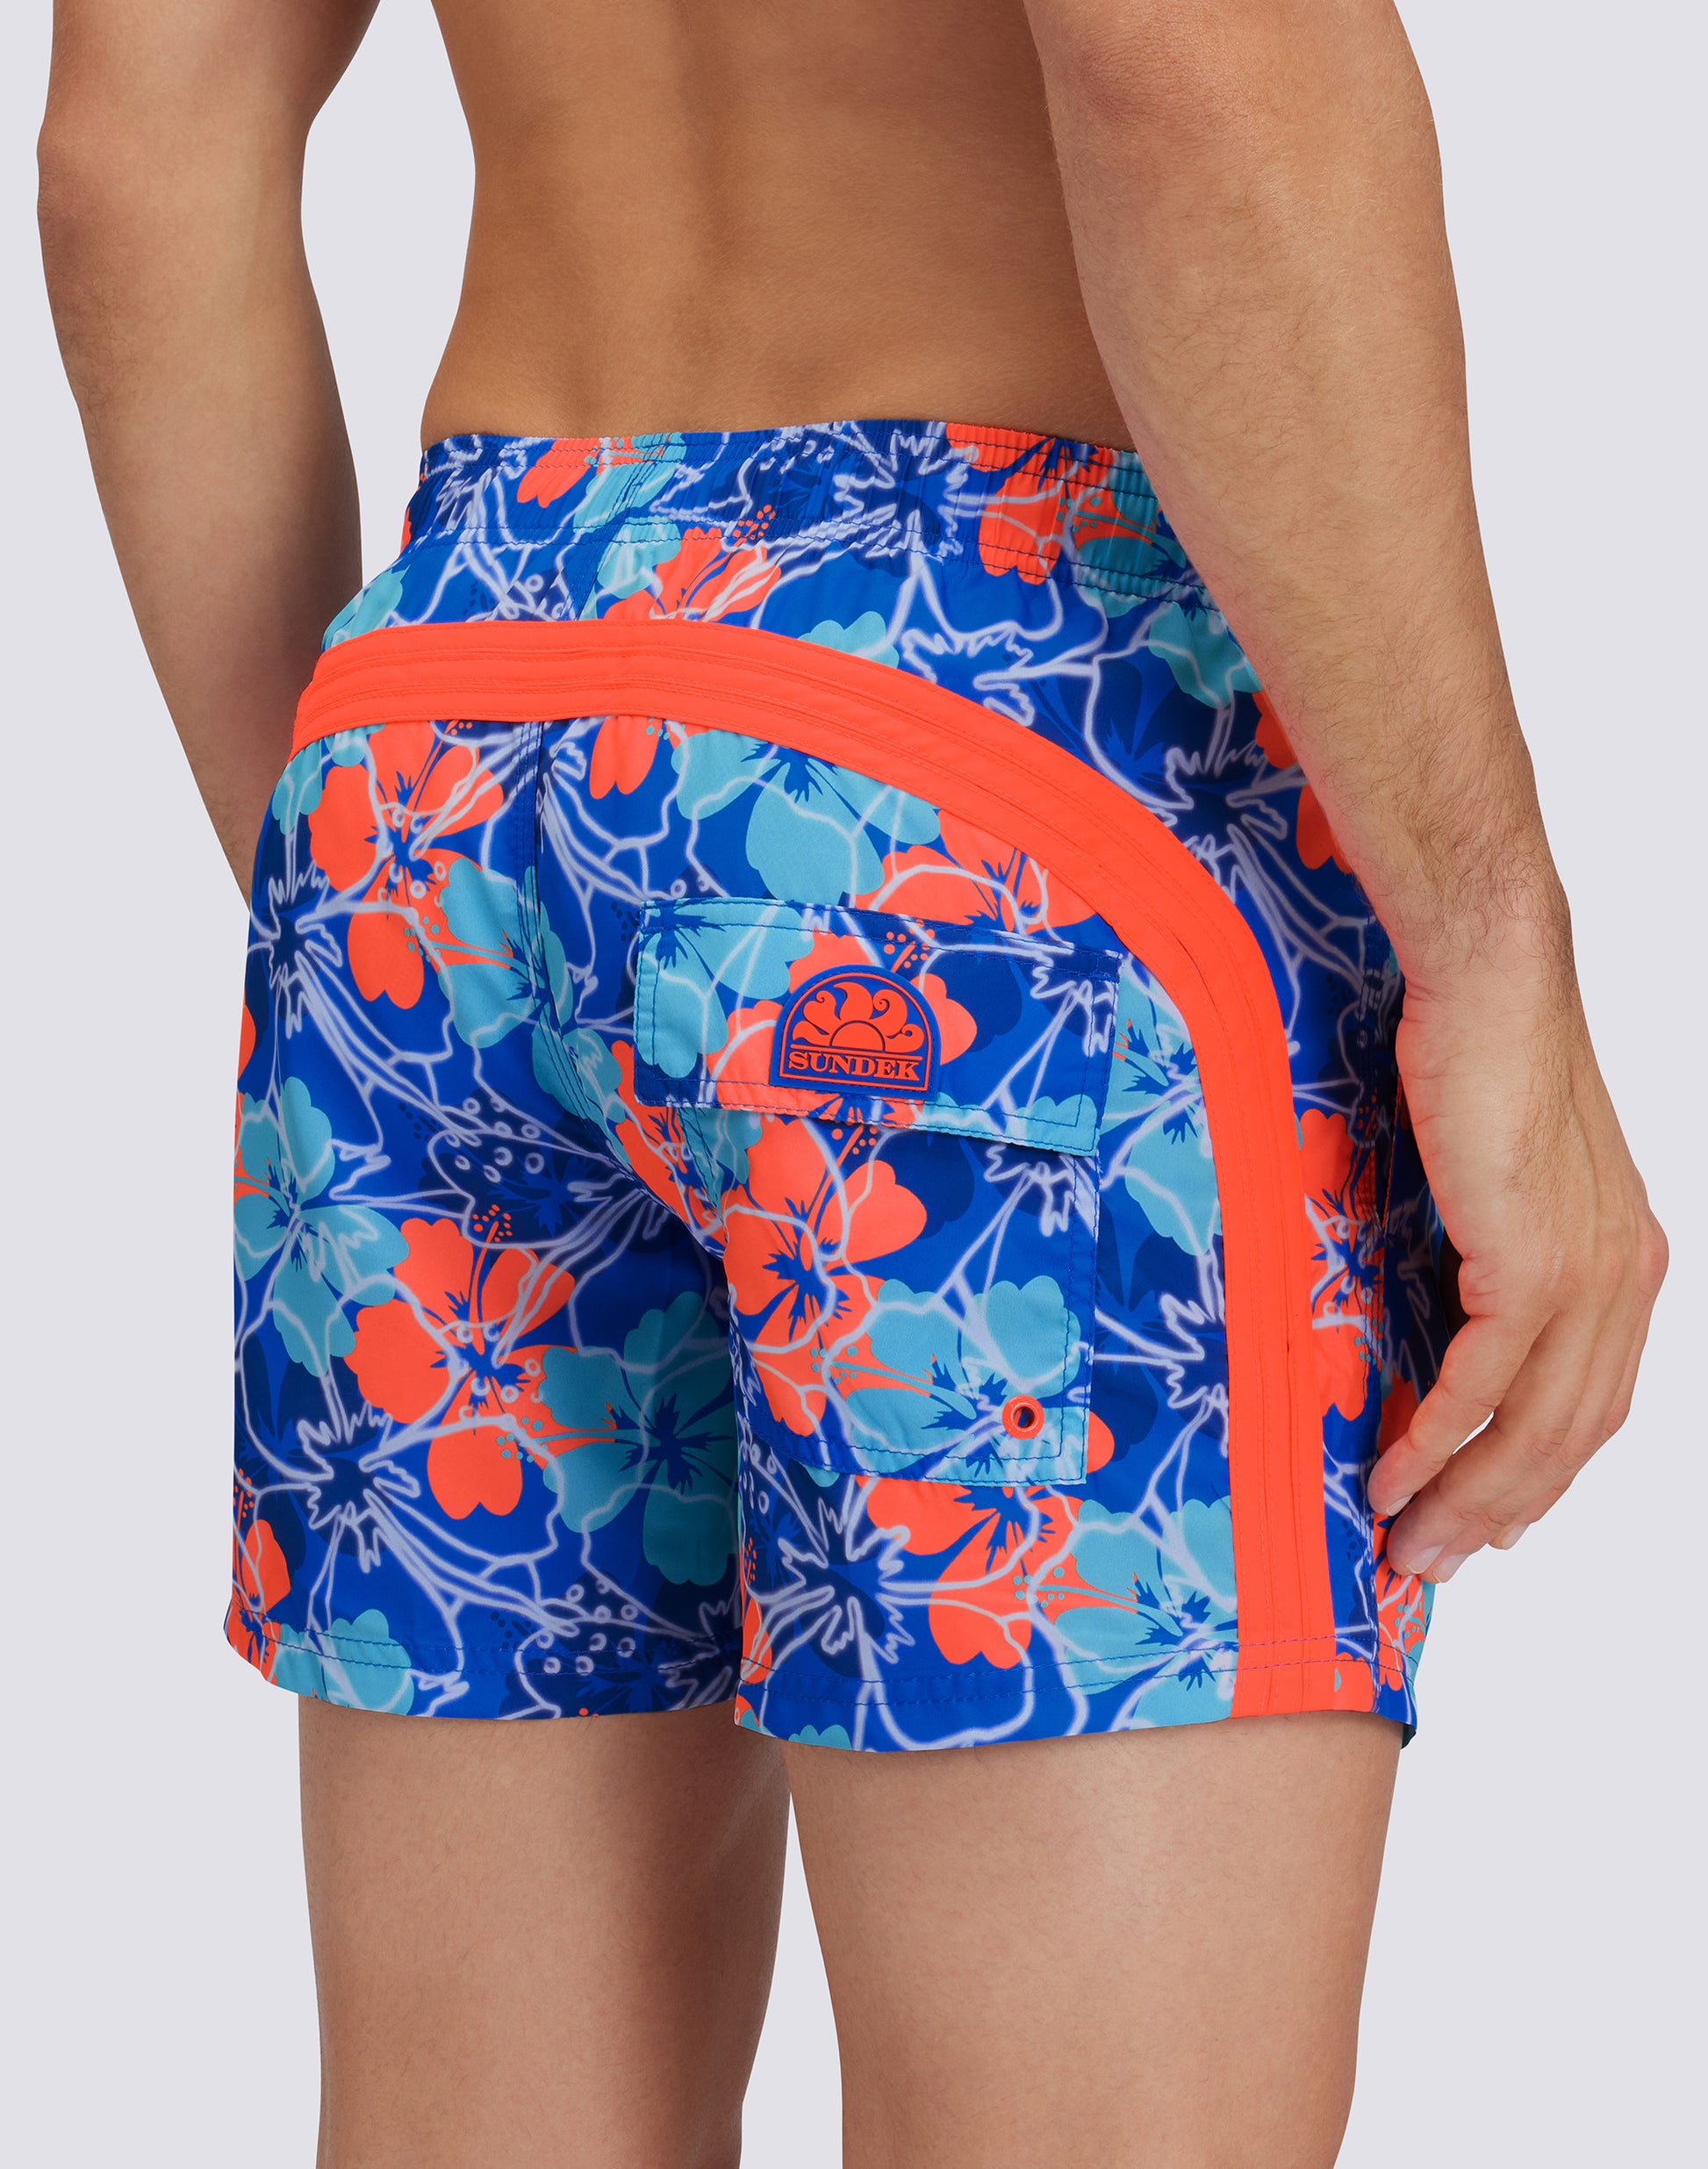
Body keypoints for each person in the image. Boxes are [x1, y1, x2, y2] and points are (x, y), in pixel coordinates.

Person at [37, 3, 1665, 2164]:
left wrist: (367, 859)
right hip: (1000, 759)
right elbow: (1183, 54)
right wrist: (1495, 950)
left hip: (456, 709)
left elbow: (132, 147)